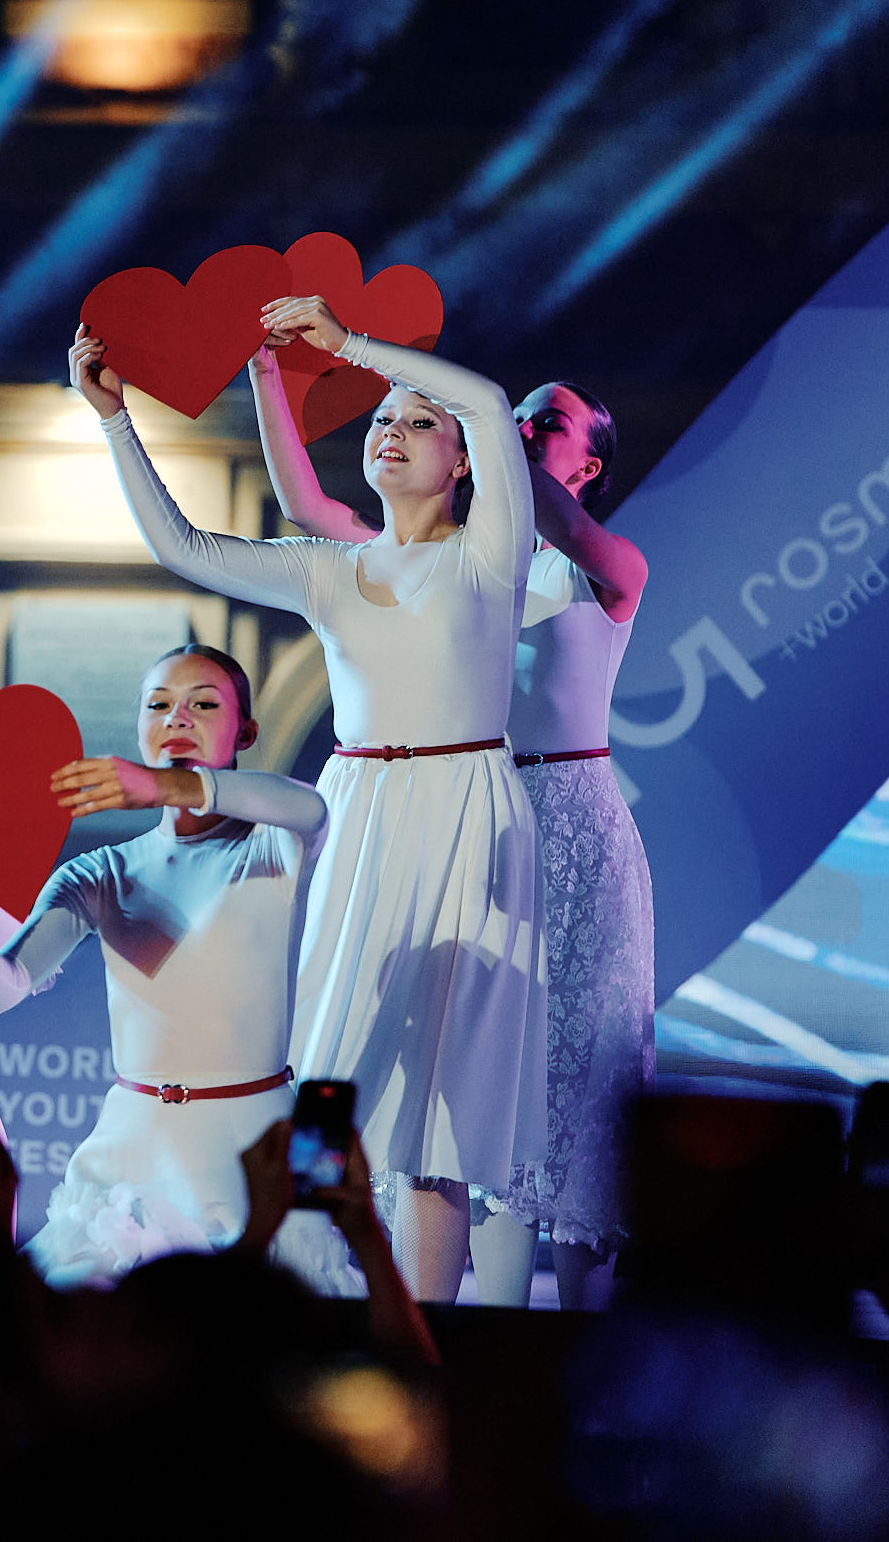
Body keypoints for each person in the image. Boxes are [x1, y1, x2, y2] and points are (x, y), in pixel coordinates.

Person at [75, 303, 543, 1303]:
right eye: (381, 419)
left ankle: (425, 1344)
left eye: (418, 421)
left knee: (437, 1126)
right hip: (361, 812)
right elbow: (183, 547)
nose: (391, 429)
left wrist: (353, 349)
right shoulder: (330, 569)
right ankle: (309, 1312)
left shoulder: (490, 553)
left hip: (467, 810)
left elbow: (490, 399)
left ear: (463, 460)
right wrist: (113, 418)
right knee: (336, 1090)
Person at [249, 345, 652, 1307]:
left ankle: (587, 1335)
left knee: (577, 1085)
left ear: (589, 463)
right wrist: (265, 378)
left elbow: (550, 521)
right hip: (468, 813)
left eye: (545, 424)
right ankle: (484, 1325)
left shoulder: (607, 565)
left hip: (575, 830)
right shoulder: (448, 557)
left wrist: (492, 443)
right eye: (512, 417)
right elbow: (311, 511)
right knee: (475, 1081)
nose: (519, 429)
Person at [0, 644, 346, 1288]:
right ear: (138, 728)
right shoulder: (102, 872)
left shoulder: (276, 844)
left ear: (246, 732)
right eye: (158, 705)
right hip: (132, 1154)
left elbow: (311, 805)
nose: (177, 718)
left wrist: (163, 786)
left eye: (203, 704)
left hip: (254, 1147)